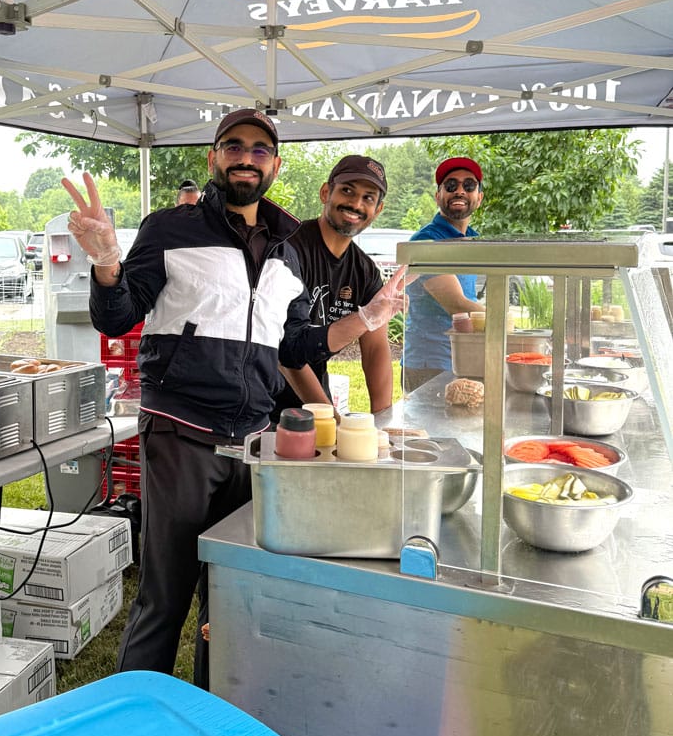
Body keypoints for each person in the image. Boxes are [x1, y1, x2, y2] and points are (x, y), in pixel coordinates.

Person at [62, 109, 407, 688]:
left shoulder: (287, 247)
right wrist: (104, 261)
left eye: (259, 150)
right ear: (213, 158)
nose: (246, 157)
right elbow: (119, 315)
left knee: (228, 597)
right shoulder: (169, 228)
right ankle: (130, 724)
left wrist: (368, 318)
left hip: (252, 444)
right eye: (233, 146)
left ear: (275, 164)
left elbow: (294, 346)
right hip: (181, 431)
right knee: (165, 596)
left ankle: (210, 712)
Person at [275, 154, 393, 417]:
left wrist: (384, 423)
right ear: (326, 192)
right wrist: (331, 420)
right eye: (347, 191)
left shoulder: (365, 272)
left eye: (368, 198)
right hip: (264, 401)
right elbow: (285, 352)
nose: (356, 204)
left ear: (378, 210)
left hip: (316, 397)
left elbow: (376, 350)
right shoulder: (287, 248)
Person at [402, 156, 486, 392]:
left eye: (468, 186)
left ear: (479, 198)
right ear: (438, 196)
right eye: (451, 186)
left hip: (463, 358)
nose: (459, 191)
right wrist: (509, 328)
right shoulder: (427, 241)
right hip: (429, 364)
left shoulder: (471, 238)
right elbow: (457, 304)